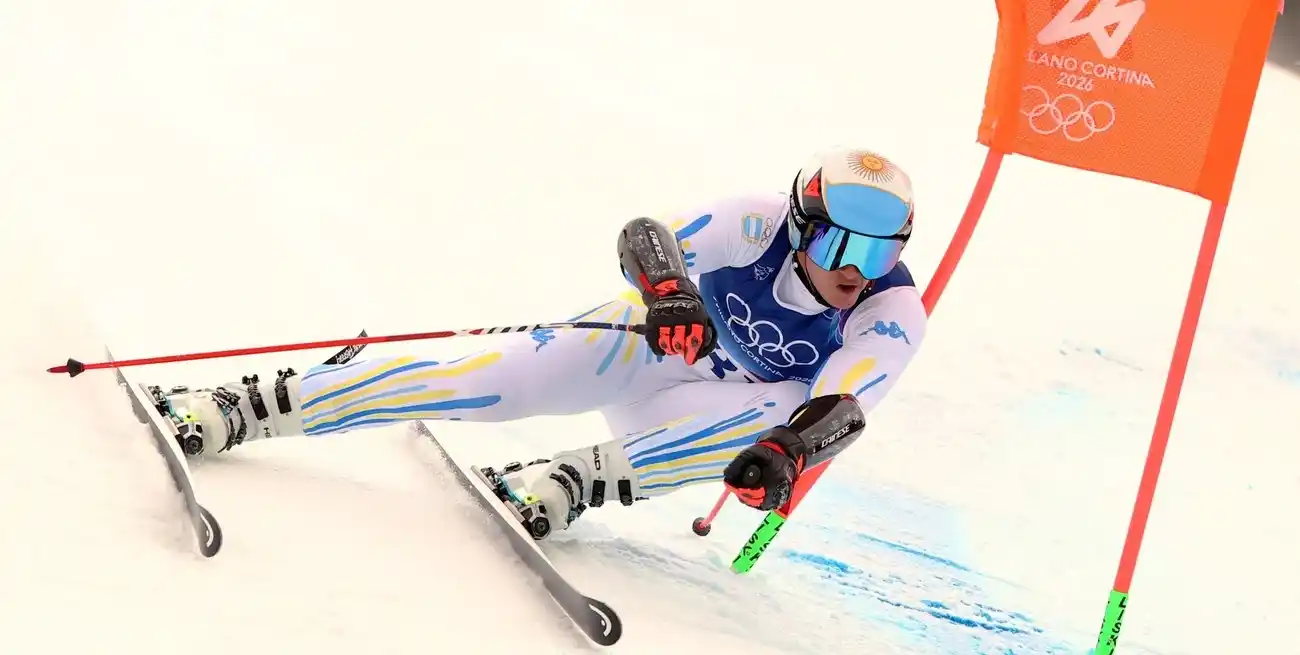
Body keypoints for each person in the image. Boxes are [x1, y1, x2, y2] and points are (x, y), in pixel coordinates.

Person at [153, 147, 928, 540]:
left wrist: (787, 455)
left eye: (879, 253)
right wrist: (670, 295)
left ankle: (567, 482)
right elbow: (647, 235)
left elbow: (843, 406)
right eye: (838, 248)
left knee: (797, 414)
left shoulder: (891, 311)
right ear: (800, 227)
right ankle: (251, 403)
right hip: (655, 351)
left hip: (703, 421)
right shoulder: (754, 220)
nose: (855, 273)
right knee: (488, 382)